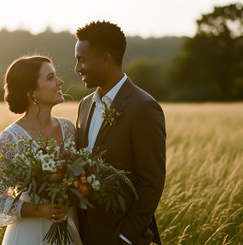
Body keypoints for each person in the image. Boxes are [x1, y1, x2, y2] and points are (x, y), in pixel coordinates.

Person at [74, 21, 166, 245]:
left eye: (82, 60)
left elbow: (152, 182)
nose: (77, 68)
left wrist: (125, 237)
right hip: (83, 236)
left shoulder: (143, 107)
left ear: (105, 59)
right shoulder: (85, 105)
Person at [0, 55, 82, 245]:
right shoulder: (10, 138)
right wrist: (41, 210)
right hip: (28, 235)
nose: (60, 81)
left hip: (69, 230)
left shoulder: (69, 129)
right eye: (50, 78)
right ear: (31, 93)